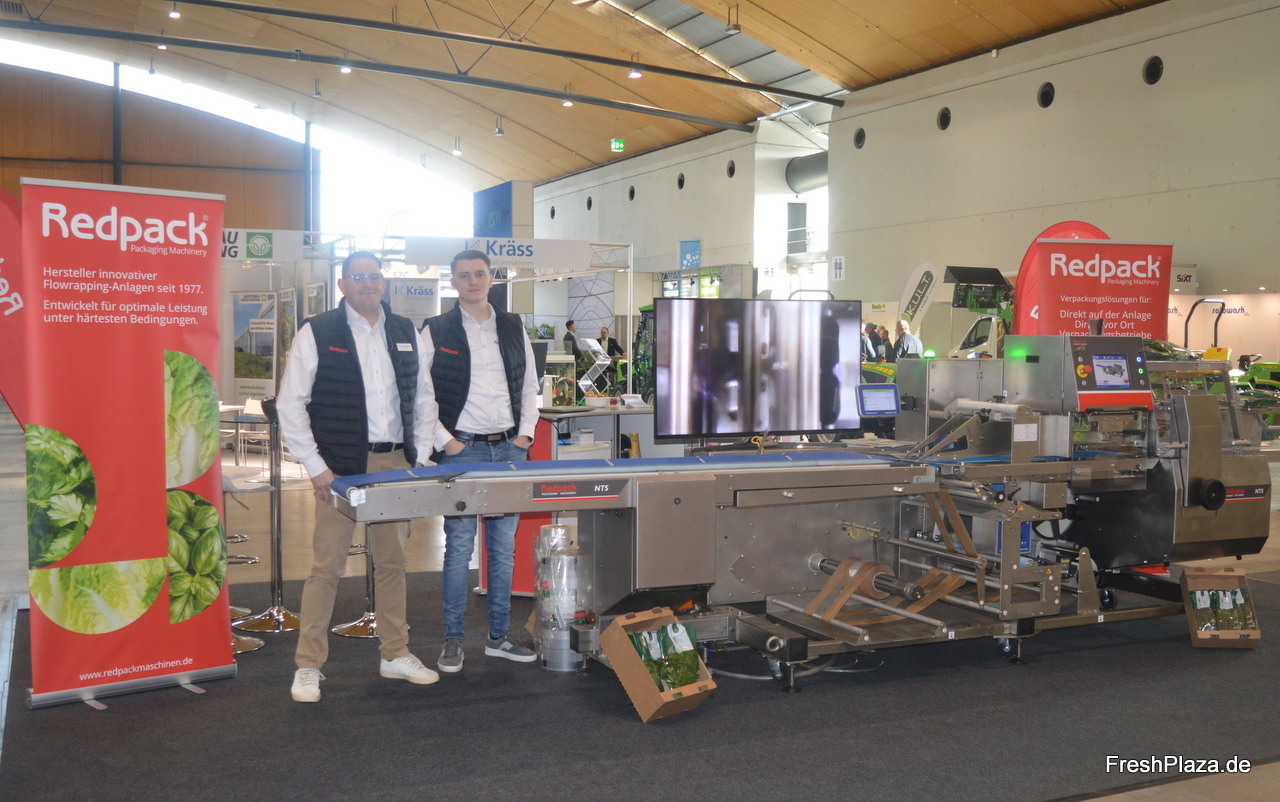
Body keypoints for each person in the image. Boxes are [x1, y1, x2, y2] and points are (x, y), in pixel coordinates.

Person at [278, 251, 438, 703]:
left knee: (393, 563)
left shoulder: (405, 331)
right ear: (343, 284)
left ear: (383, 282)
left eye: (374, 276)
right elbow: (291, 403)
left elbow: (423, 399)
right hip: (340, 468)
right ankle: (308, 665)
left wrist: (421, 458)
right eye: (357, 277)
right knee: (326, 567)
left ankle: (395, 653)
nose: (367, 284)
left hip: (395, 464)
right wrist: (316, 467)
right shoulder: (318, 330)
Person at [420, 249, 541, 673]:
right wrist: (446, 442)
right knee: (458, 549)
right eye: (464, 275)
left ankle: (498, 637)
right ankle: (453, 640)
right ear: (453, 281)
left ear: (492, 278)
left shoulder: (512, 326)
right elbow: (421, 394)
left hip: (509, 450)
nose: (473, 281)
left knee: (503, 550)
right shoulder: (436, 329)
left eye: (479, 273)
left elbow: (529, 385)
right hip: (463, 452)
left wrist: (525, 436)